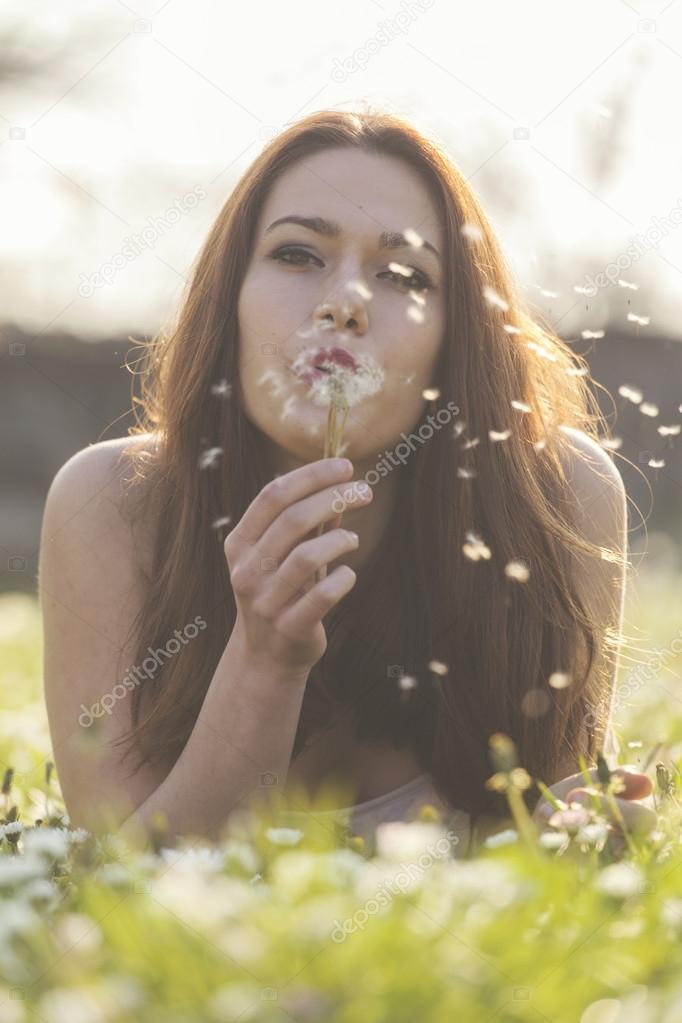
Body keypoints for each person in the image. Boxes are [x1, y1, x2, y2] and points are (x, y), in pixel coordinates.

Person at [39, 108, 655, 854]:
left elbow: (553, 851)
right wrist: (263, 662)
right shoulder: (114, 504)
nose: (346, 302)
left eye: (403, 274)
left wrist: (597, 833)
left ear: (456, 333)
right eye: (298, 255)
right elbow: (120, 880)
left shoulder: (554, 498)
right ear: (229, 295)